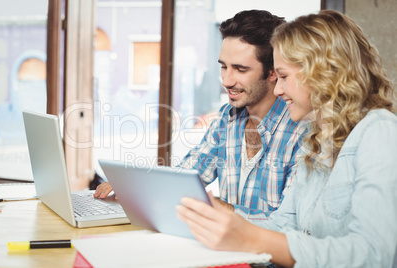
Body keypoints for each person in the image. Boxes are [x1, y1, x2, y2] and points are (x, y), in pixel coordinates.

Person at [176, 10, 397, 267]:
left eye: (283, 77)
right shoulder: (316, 142)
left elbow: (374, 255)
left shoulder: (380, 132)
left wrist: (248, 235)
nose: (278, 89)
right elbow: (284, 224)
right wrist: (223, 220)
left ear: (322, 72)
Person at [94, 10, 306, 221]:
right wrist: (135, 186)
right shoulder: (228, 118)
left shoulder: (301, 130)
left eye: (240, 70)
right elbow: (188, 175)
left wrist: (221, 209)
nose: (226, 81)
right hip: (221, 248)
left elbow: (290, 224)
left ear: (272, 72)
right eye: (224, 67)